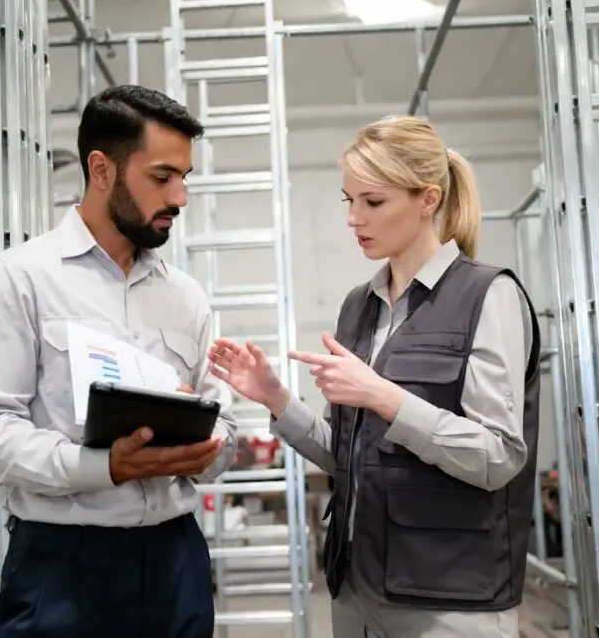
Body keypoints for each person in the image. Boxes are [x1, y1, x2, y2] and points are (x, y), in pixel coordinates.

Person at [208, 115, 540, 638]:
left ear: (428, 199)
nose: (353, 217)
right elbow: (348, 458)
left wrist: (385, 397)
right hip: (357, 588)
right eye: (349, 200)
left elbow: (499, 457)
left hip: (449, 598)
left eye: (374, 201)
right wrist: (275, 398)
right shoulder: (358, 308)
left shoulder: (488, 296)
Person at [0, 84, 238, 638]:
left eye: (184, 178)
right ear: (101, 168)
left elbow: (223, 425)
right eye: (162, 177)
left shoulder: (186, 297)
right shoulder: (19, 279)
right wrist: (105, 468)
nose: (180, 197)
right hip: (62, 568)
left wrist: (202, 447)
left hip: (174, 559)